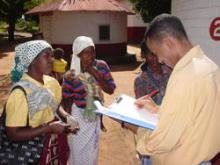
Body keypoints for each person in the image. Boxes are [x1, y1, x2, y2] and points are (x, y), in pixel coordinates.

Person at [134, 14, 220, 165]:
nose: (160, 60)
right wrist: (157, 110)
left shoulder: (184, 75)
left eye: (158, 53)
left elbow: (164, 138)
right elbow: (193, 117)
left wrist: (137, 131)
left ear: (168, 43)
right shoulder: (210, 66)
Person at [0, 40, 78, 164]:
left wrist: (66, 117)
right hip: (29, 153)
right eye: (46, 55)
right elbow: (13, 134)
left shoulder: (51, 82)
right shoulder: (20, 93)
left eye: (51, 55)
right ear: (32, 60)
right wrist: (48, 128)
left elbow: (55, 106)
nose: (51, 59)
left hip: (51, 146)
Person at [62, 36, 116, 165]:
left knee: (92, 151)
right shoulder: (72, 74)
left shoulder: (101, 66)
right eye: (86, 52)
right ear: (78, 54)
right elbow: (67, 99)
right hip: (78, 115)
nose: (91, 55)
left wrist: (94, 72)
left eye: (93, 51)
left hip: (95, 114)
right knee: (77, 151)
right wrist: (68, 121)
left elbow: (110, 89)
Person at [134, 40, 171, 165]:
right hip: (152, 132)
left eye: (156, 52)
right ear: (144, 55)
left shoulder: (170, 71)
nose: (154, 57)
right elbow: (142, 111)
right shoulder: (140, 80)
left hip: (171, 126)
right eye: (150, 54)